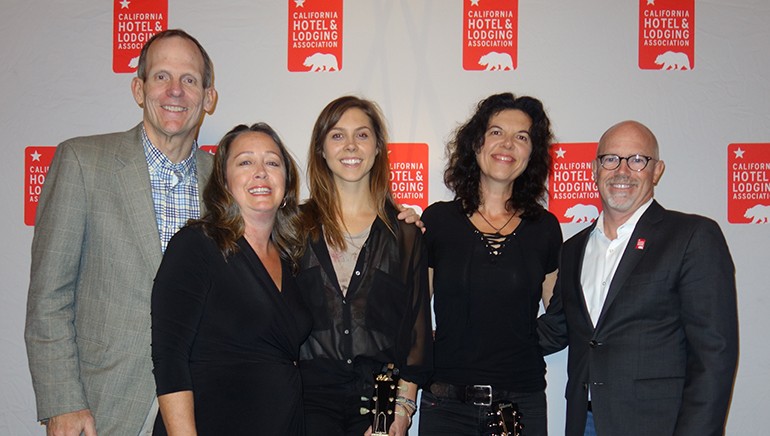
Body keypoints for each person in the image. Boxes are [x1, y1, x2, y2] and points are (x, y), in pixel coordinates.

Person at [24, 29, 217, 435]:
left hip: (201, 406)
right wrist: (63, 402)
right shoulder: (82, 161)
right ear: (138, 88)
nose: (175, 92)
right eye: (161, 76)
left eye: (190, 80)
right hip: (105, 406)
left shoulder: (225, 183)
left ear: (209, 97)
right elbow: (49, 297)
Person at [538, 120, 739, 436]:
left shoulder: (692, 237)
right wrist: (467, 337)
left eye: (637, 160)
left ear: (657, 170)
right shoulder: (572, 249)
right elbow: (557, 328)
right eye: (611, 159)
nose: (622, 170)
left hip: (660, 424)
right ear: (595, 169)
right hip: (585, 422)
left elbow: (714, 354)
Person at [150, 123, 311, 435]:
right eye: (246, 162)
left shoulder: (292, 258)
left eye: (273, 162)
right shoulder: (196, 244)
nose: (261, 172)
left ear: (287, 181)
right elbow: (170, 358)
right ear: (224, 180)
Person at [419, 92, 562, 436]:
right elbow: (415, 311)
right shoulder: (437, 220)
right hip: (446, 404)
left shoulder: (544, 227)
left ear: (532, 153)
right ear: (475, 143)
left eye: (522, 137)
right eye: (496, 132)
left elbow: (560, 315)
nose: (508, 144)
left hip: (521, 404)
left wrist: (522, 342)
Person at [296, 96, 432, 436]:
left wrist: (401, 410)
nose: (351, 146)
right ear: (321, 150)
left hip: (377, 407)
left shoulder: (404, 234)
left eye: (362, 135)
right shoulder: (292, 227)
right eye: (337, 135)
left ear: (377, 149)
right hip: (305, 403)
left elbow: (417, 331)